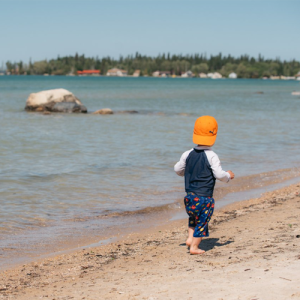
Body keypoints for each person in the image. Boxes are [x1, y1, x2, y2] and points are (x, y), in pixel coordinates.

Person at [174, 116, 234, 255]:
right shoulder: (212, 155)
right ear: (214, 135)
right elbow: (219, 175)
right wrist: (228, 176)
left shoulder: (187, 153)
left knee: (193, 218)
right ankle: (194, 247)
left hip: (189, 197)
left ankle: (190, 239)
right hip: (204, 198)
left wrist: (186, 171)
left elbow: (178, 170)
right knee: (202, 222)